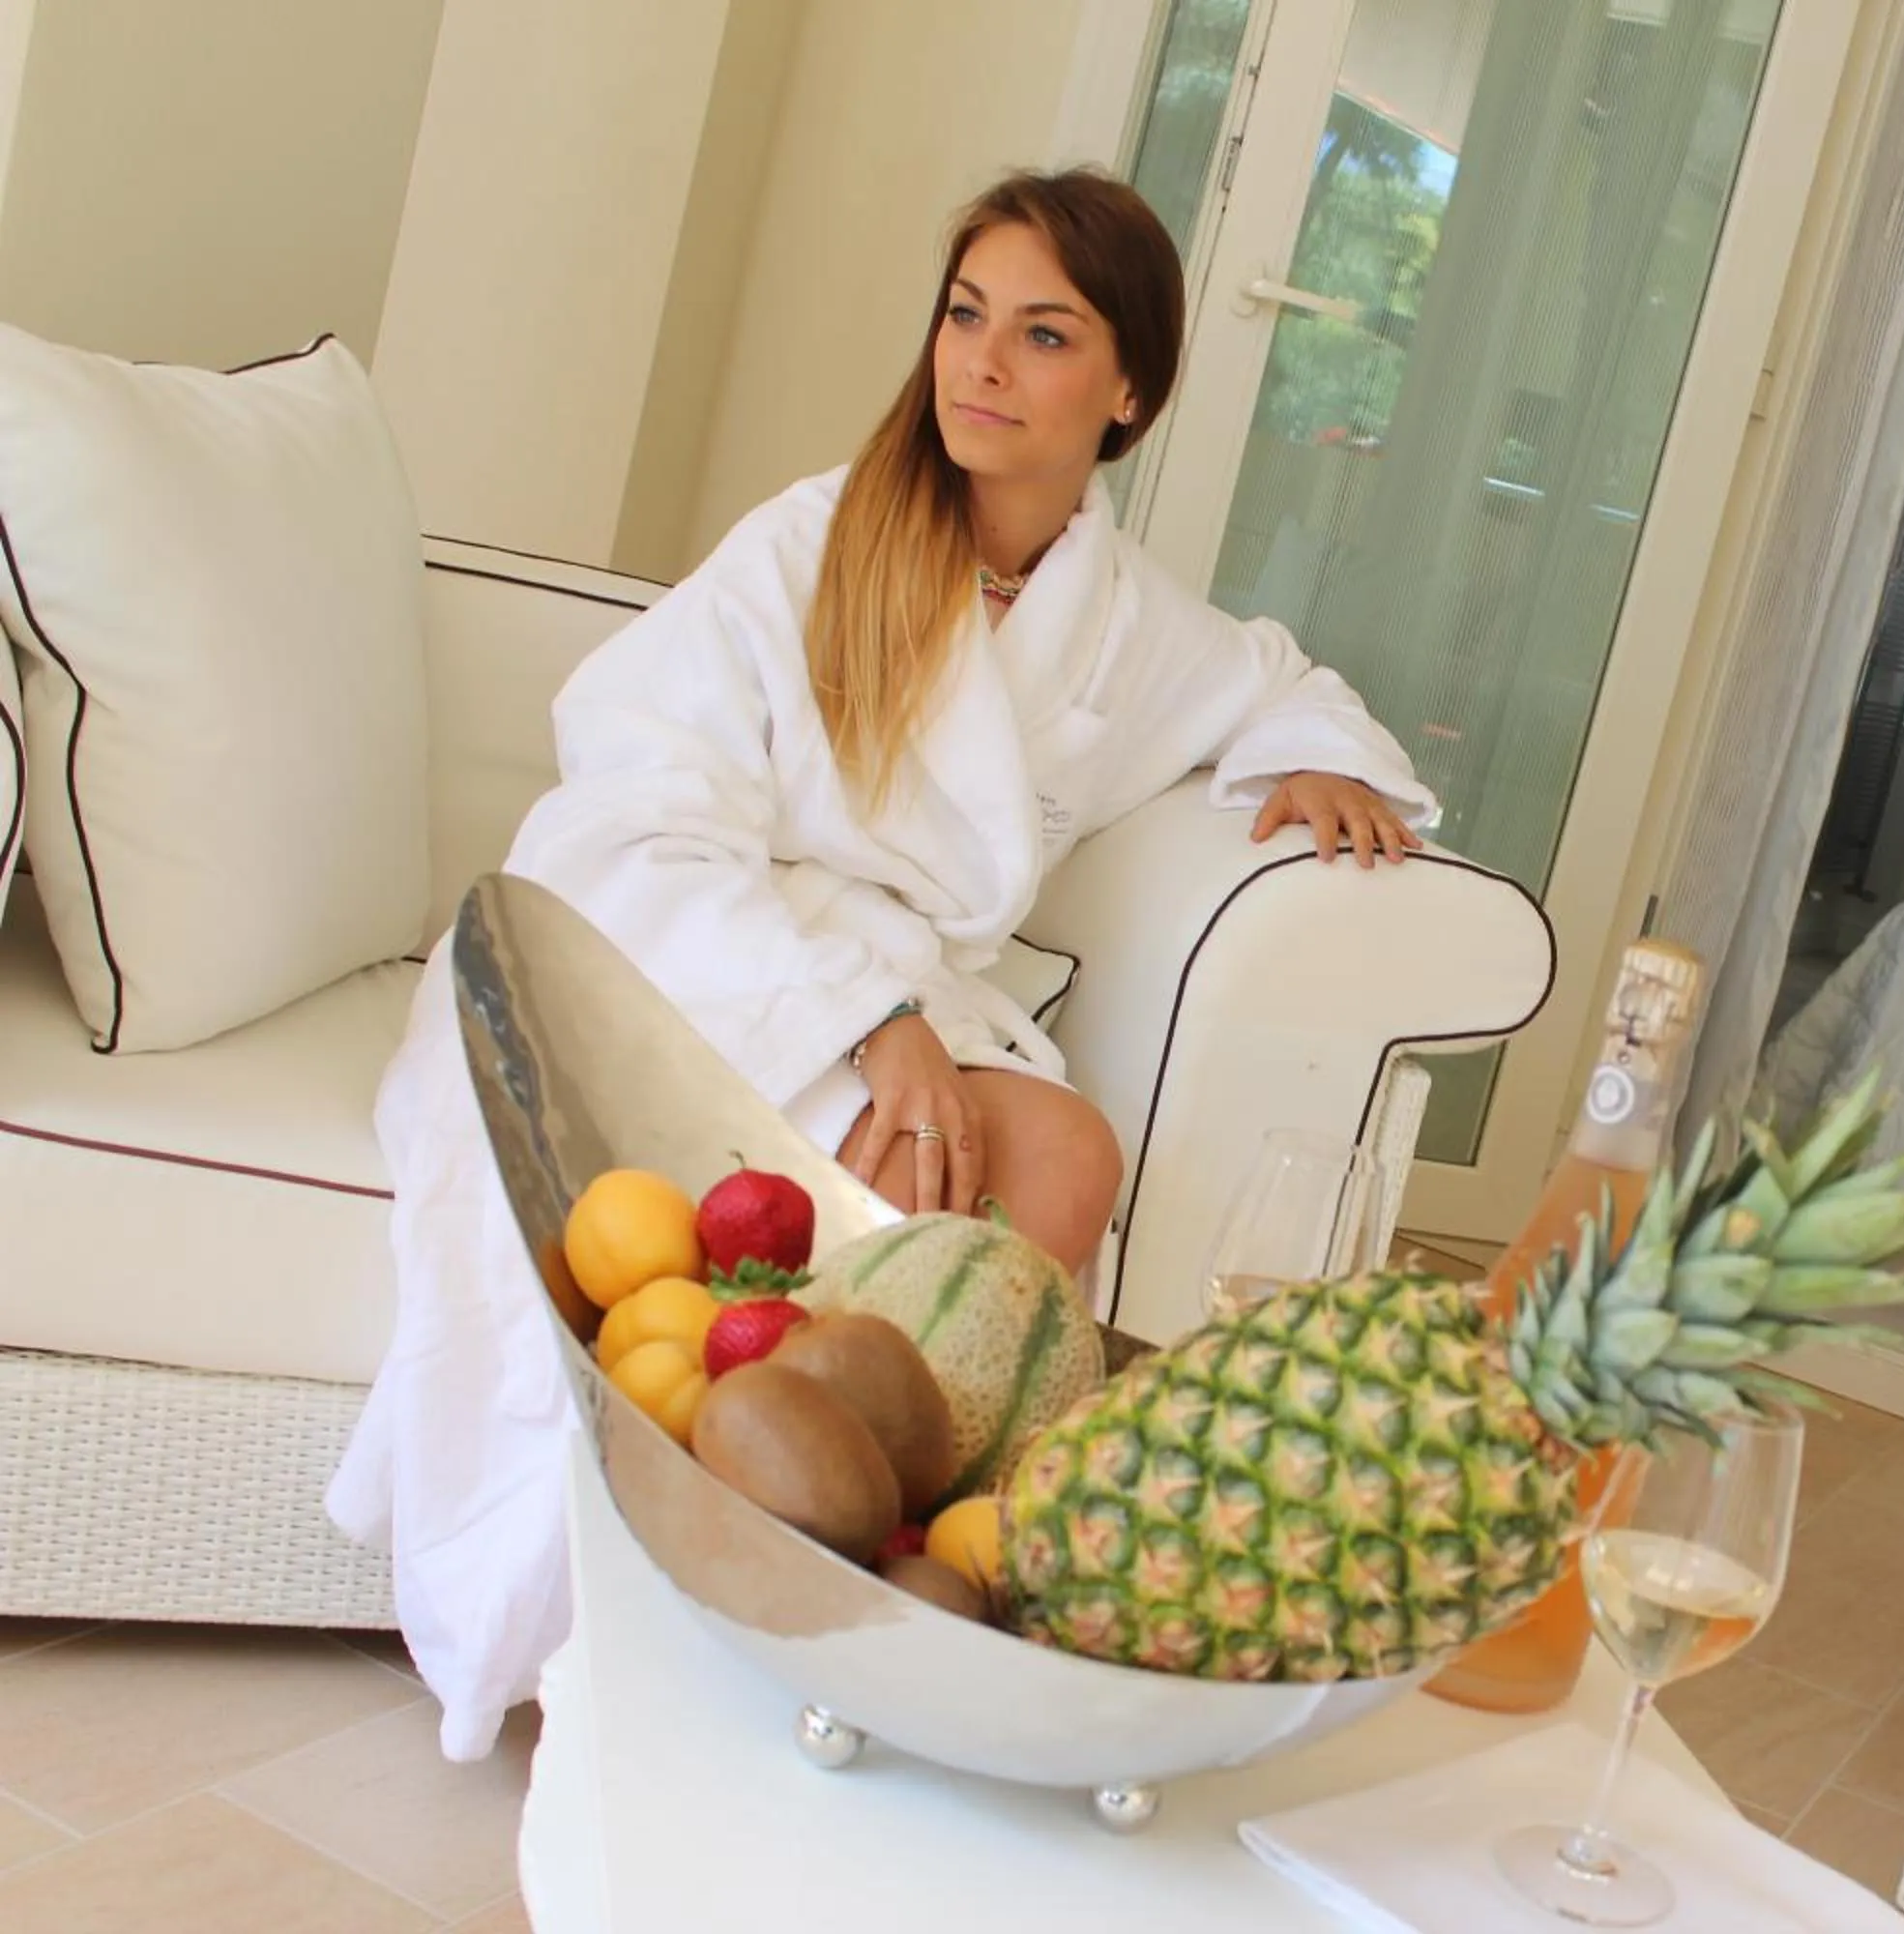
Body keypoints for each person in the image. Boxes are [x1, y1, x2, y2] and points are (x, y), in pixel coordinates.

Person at [329, 168, 1440, 1761]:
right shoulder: (817, 540)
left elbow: (1281, 686)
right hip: (690, 946)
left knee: (1066, 1153)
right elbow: (639, 805)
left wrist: (1324, 765)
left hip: (887, 982)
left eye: (1043, 334)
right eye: (965, 315)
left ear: (1130, 391)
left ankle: (922, 1575)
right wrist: (869, 1018)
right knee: (916, 1156)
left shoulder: (1123, 626)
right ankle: (745, 1610)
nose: (982, 362)